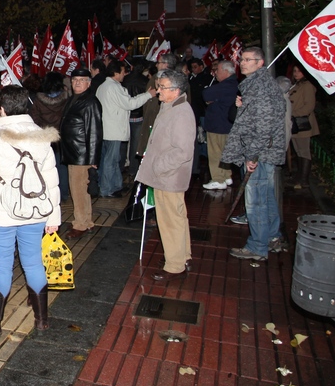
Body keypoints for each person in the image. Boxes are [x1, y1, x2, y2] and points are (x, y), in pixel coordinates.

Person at [0, 86, 60, 338]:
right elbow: (51, 181)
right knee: (33, 262)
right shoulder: (42, 137)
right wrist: (54, 218)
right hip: (35, 212)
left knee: (2, 266)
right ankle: (42, 321)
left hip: (1, 215)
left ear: (2, 109)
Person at [222, 47, 288, 261]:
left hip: (260, 152)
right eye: (242, 59)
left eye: (249, 60)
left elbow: (263, 125)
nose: (243, 63)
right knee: (267, 197)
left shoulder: (260, 86)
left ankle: (258, 247)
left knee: (256, 201)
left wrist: (252, 155)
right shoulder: (259, 84)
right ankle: (272, 237)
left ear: (261, 63)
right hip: (265, 151)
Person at [136, 70, 197, 281]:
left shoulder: (181, 113)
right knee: (177, 217)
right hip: (166, 174)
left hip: (168, 176)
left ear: (176, 90)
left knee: (169, 221)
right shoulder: (170, 105)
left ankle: (174, 266)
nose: (158, 90)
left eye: (162, 87)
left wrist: (158, 166)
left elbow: (183, 151)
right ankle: (183, 256)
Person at [94, 62, 153, 198]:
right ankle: (107, 189)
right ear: (116, 73)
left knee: (108, 160)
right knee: (111, 160)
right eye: (122, 72)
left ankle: (114, 186)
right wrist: (148, 95)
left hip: (106, 130)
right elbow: (130, 104)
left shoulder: (103, 86)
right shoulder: (113, 87)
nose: (124, 74)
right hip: (113, 130)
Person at [60, 67, 102, 239]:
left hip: (81, 153)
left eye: (81, 80)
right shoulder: (74, 99)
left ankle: (80, 224)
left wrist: (93, 159)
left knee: (78, 190)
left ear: (89, 83)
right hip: (74, 151)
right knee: (81, 190)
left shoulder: (90, 102)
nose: (77, 82)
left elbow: (95, 131)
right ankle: (86, 221)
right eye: (75, 79)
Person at [201, 60, 240, 190]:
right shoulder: (235, 84)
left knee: (215, 153)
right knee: (225, 151)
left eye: (217, 70)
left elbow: (206, 94)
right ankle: (226, 175)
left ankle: (218, 179)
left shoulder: (226, 85)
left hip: (218, 125)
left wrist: (212, 99)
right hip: (227, 125)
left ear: (225, 71)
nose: (215, 73)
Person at [287, 64, 319, 189]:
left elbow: (309, 106)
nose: (296, 73)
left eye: (299, 71)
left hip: (302, 123)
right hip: (294, 123)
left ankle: (304, 179)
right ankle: (300, 176)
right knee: (298, 150)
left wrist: (293, 114)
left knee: (304, 151)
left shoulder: (308, 86)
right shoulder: (296, 85)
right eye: (294, 71)